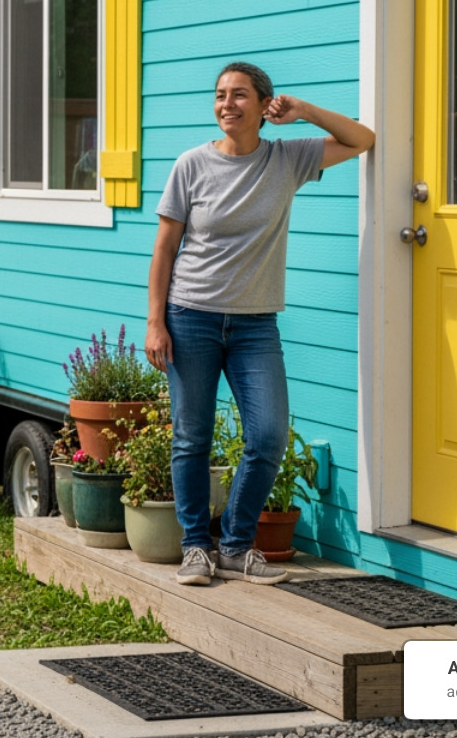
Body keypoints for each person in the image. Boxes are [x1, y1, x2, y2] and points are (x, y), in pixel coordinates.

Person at [145, 61, 374, 586]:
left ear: (264, 105)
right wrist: (155, 322)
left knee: (268, 435)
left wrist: (307, 111)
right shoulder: (191, 165)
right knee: (191, 437)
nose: (227, 103)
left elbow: (361, 140)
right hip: (190, 317)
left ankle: (236, 544)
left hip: (254, 325)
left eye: (240, 95)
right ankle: (195, 548)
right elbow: (164, 249)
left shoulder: (288, 159)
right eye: (221, 94)